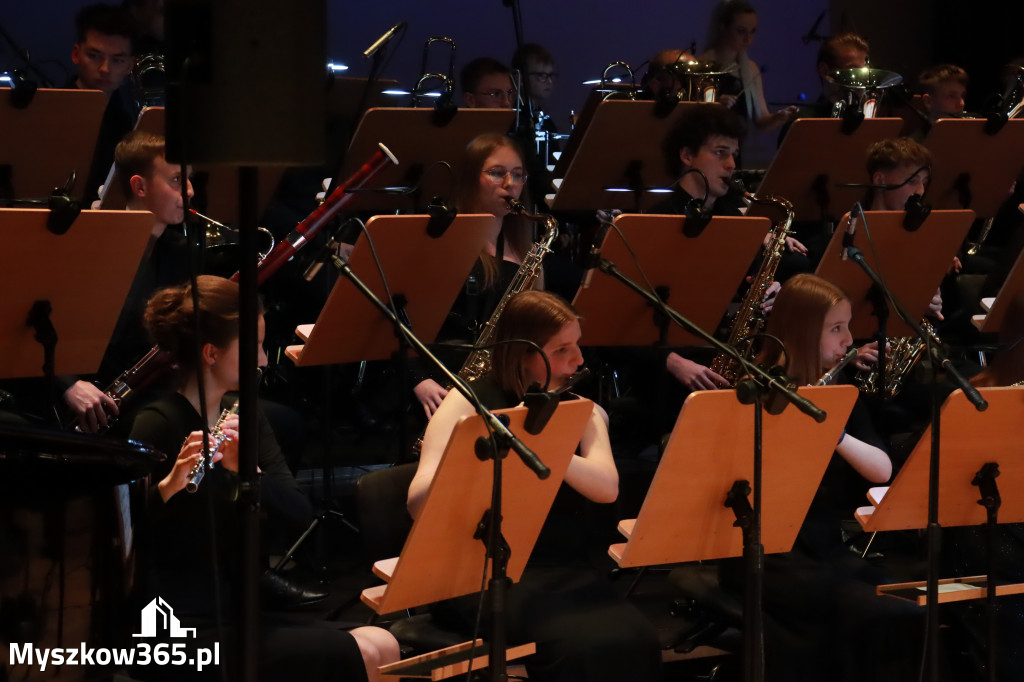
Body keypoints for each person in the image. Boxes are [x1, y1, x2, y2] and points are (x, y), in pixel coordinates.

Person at [130, 275, 399, 682]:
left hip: (237, 607)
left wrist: (249, 474)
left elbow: (299, 512)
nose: (262, 360)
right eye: (253, 346)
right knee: (365, 653)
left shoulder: (243, 416)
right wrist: (168, 489)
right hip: (178, 625)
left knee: (385, 644)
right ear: (210, 353)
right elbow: (127, 544)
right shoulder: (157, 423)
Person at [407, 290, 662, 682]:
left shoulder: (585, 410)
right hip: (479, 573)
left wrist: (543, 442)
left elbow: (607, 488)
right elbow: (416, 502)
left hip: (561, 569)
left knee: (639, 638)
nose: (578, 360)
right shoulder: (465, 402)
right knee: (578, 647)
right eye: (562, 350)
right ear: (523, 355)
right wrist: (463, 463)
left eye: (578, 346)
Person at [730, 273, 921, 682]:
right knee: (871, 610)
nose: (849, 340)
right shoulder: (750, 392)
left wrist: (831, 431)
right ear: (801, 331)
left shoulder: (835, 393)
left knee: (907, 604)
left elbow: (881, 470)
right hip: (762, 556)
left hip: (823, 549)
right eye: (836, 329)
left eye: (848, 326)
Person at [62, 131, 192, 433]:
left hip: (153, 392)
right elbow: (32, 329)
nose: (189, 191)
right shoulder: (89, 247)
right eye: (176, 180)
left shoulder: (179, 252)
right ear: (139, 186)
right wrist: (67, 386)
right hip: (91, 401)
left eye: (189, 180)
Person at [70, 3, 139, 204]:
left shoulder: (127, 118)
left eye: (117, 60)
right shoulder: (51, 111)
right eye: (93, 56)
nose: (104, 68)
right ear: (76, 54)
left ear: (129, 66)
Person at [700, 1, 798, 131]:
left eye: (752, 32)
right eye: (741, 31)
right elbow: (693, 115)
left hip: (735, 146)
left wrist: (779, 116)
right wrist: (715, 106)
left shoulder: (750, 68)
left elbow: (761, 119)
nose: (748, 38)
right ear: (723, 27)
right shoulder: (702, 65)